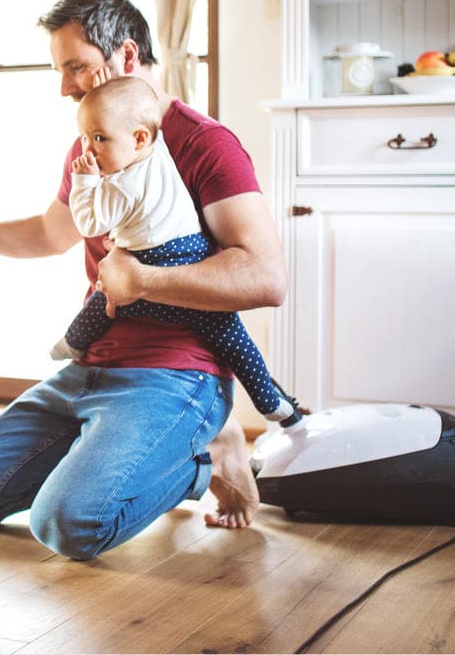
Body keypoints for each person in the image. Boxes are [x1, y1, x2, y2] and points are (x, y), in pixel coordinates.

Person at [0, 0, 286, 559]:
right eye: (60, 70)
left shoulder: (206, 145)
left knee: (69, 525)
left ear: (127, 57)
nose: (64, 86)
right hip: (91, 365)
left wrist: (146, 281)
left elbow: (264, 277)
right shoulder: (92, 145)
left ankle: (205, 455)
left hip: (176, 372)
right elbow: (49, 234)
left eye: (75, 66)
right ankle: (119, 450)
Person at [50, 75, 295, 423]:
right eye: (85, 138)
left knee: (105, 302)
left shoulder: (122, 185)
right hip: (190, 250)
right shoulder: (158, 148)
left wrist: (84, 182)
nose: (87, 150)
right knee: (232, 337)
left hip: (152, 264)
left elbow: (89, 223)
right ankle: (272, 402)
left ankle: (72, 342)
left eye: (99, 138)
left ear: (138, 138)